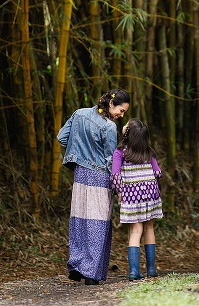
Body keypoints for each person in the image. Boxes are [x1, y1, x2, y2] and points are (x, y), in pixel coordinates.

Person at [57, 89, 130, 285]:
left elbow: (62, 137)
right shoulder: (108, 127)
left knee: (79, 220)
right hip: (99, 176)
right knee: (97, 223)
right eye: (121, 111)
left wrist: (78, 155)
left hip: (81, 174)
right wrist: (118, 186)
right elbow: (110, 160)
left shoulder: (79, 113)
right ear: (111, 104)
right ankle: (91, 272)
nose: (121, 115)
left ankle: (76, 266)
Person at [111, 118, 164, 281]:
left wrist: (118, 192)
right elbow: (158, 173)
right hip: (150, 193)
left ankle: (134, 271)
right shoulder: (149, 152)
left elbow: (115, 175)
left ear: (128, 134)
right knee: (149, 228)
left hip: (131, 194)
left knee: (135, 231)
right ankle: (151, 269)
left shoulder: (120, 152)